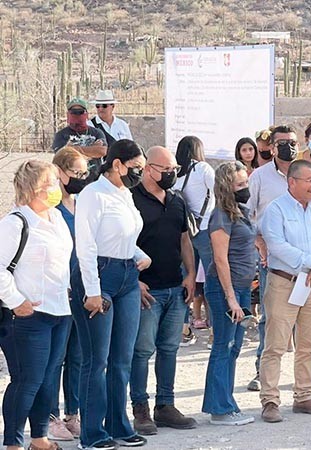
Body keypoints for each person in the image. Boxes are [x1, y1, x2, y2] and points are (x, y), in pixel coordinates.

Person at [73, 139, 151, 450]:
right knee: (97, 360)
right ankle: (92, 434)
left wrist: (138, 253)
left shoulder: (125, 194)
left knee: (122, 358)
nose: (138, 174)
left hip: (127, 276)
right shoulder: (93, 194)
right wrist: (92, 291)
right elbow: (87, 244)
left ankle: (119, 424)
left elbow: (124, 235)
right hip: (99, 276)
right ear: (116, 164)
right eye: (135, 168)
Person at [258, 160, 311, 421]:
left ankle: (304, 396)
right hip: (285, 283)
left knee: (310, 345)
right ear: (292, 182)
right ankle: (270, 400)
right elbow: (276, 245)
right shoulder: (276, 210)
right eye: (310, 180)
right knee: (276, 345)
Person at [0, 160, 73, 450]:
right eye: (51, 182)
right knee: (26, 381)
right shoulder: (15, 222)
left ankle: (39, 437)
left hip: (59, 311)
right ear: (34, 187)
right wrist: (17, 302)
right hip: (27, 316)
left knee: (47, 380)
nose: (57, 187)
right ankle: (13, 443)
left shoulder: (57, 218)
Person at [129, 146, 198, 435]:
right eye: (165, 170)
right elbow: (121, 243)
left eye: (175, 171)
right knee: (142, 350)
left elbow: (184, 240)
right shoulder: (131, 200)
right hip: (147, 290)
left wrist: (192, 274)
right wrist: (133, 281)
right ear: (148, 169)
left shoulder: (177, 200)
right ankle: (141, 409)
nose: (171, 175)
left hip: (175, 287)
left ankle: (166, 406)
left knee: (169, 349)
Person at [201, 162, 257, 426]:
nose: (245, 189)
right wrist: (231, 298)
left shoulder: (240, 212)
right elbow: (220, 260)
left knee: (233, 347)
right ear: (227, 188)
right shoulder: (221, 216)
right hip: (226, 289)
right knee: (223, 345)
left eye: (246, 183)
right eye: (240, 185)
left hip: (243, 287)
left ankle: (227, 402)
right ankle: (219, 409)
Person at [245, 124, 299, 391]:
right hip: (272, 262)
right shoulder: (260, 177)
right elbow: (247, 214)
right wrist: (258, 240)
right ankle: (262, 373)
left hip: (304, 261)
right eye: (282, 143)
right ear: (271, 147)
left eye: (292, 141)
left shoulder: (307, 175)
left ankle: (307, 380)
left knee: (305, 319)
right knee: (269, 317)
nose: (288, 146)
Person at [47, 147, 92, 442]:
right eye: (76, 173)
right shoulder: (50, 208)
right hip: (58, 289)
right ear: (60, 172)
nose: (81, 178)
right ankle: (49, 416)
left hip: (82, 287)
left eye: (84, 173)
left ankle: (72, 413)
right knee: (56, 357)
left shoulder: (83, 203)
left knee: (77, 355)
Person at [174, 136, 215, 341]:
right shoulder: (204, 169)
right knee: (212, 279)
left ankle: (183, 328)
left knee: (186, 278)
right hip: (205, 228)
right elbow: (218, 190)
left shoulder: (176, 172)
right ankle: (214, 330)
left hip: (184, 233)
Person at [52, 98, 107, 183]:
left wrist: (74, 149)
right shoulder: (61, 135)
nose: (77, 115)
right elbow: (63, 157)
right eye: (73, 112)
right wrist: (92, 148)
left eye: (80, 112)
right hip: (71, 184)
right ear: (68, 115)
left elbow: (102, 151)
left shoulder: (97, 132)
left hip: (96, 182)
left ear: (86, 114)